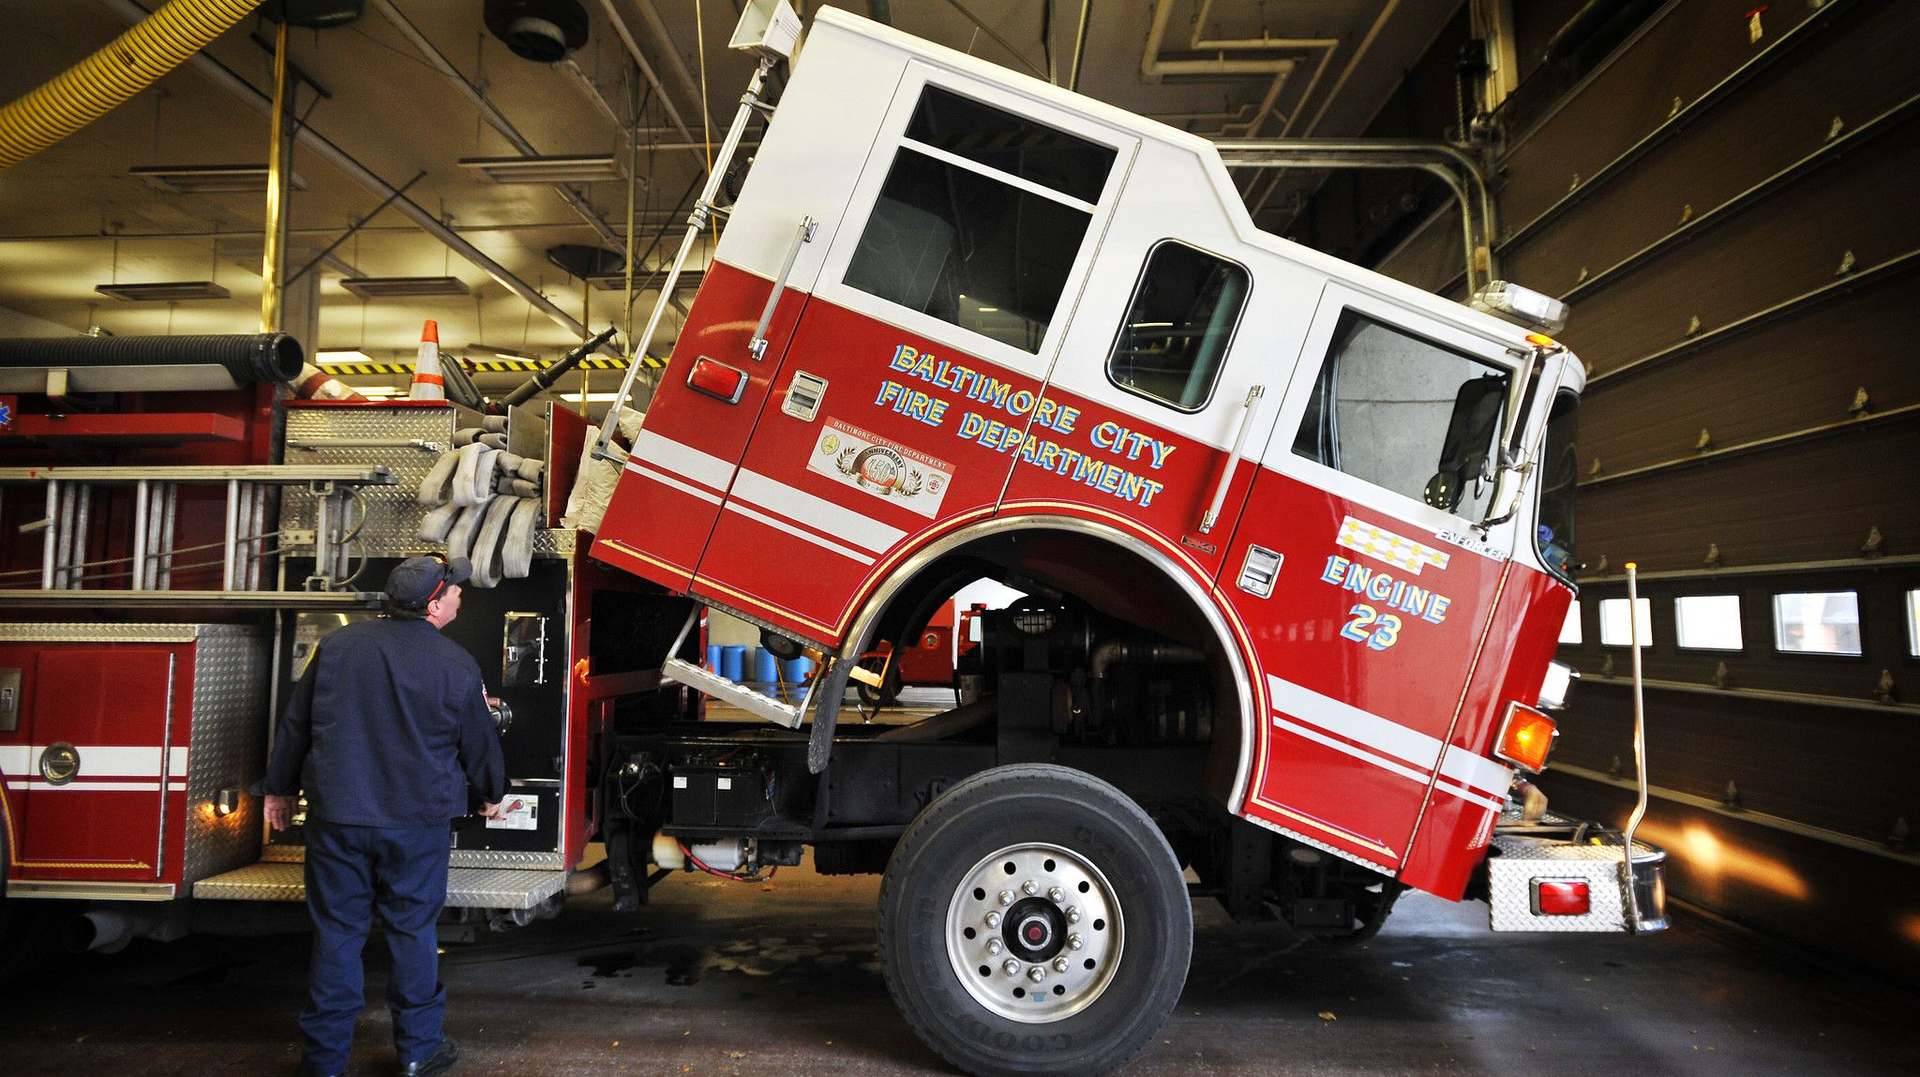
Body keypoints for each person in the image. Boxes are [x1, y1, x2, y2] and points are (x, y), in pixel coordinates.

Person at [263, 553, 506, 1077]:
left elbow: (296, 724)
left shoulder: (338, 646)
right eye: (455, 589)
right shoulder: (457, 664)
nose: (461, 594)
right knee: (412, 930)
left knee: (337, 933)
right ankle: (418, 1051)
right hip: (415, 824)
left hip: (338, 819)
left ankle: (324, 1062)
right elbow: (478, 740)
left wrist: (278, 788)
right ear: (434, 604)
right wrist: (491, 791)